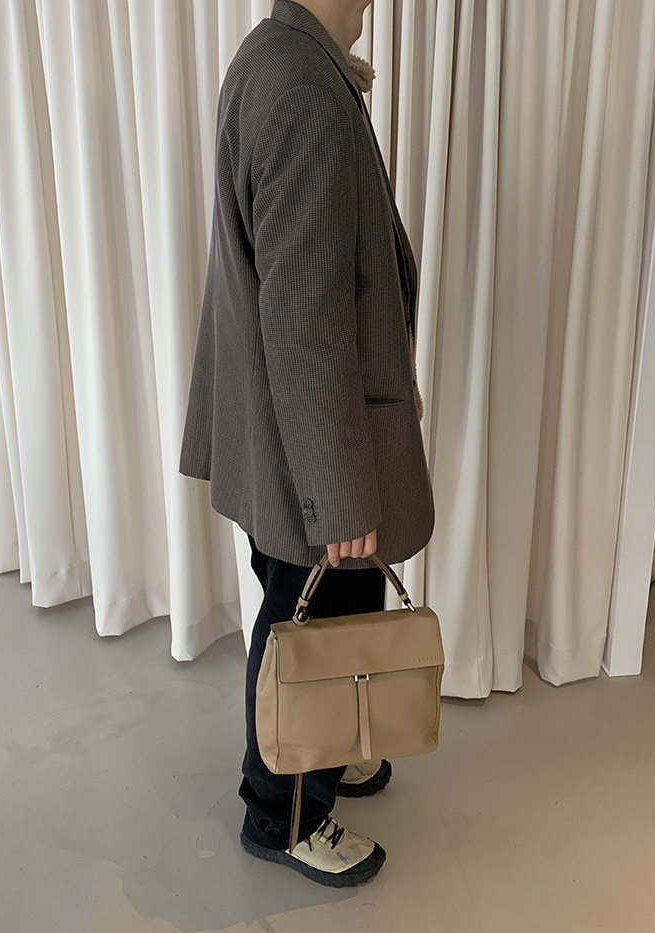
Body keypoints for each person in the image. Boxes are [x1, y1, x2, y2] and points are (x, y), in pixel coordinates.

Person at [179, 0, 435, 887]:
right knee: (306, 622)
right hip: (308, 453)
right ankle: (283, 811)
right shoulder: (298, 87)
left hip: (281, 432)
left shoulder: (280, 56)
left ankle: (324, 750)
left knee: (318, 613)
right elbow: (305, 322)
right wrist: (339, 493)